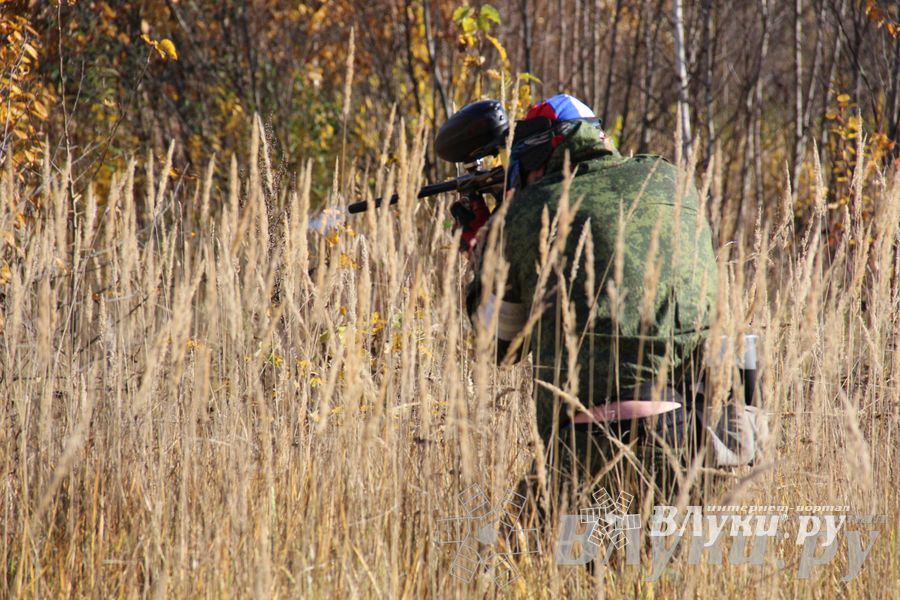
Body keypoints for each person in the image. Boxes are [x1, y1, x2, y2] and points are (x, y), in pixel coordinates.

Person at [452, 94, 766, 507]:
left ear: (534, 157)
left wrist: (485, 251)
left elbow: (501, 344)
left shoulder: (528, 213)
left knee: (515, 561)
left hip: (586, 448)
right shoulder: (669, 180)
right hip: (694, 439)